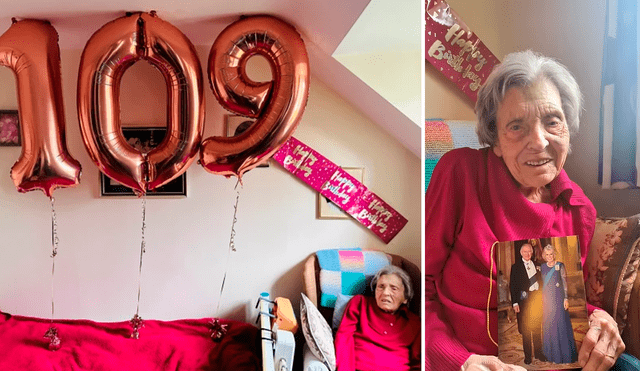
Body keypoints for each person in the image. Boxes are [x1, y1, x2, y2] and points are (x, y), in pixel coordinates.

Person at [424, 50, 625, 371]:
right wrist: (459, 361)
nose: (539, 141)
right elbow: (422, 284)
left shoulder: (578, 209)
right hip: (465, 357)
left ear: (568, 130)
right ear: (497, 141)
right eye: (517, 126)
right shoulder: (459, 174)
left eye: (552, 121)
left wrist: (598, 317)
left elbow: (559, 302)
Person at [334, 265, 420, 371]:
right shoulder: (360, 304)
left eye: (393, 288)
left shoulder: (415, 323)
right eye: (381, 287)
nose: (385, 293)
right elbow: (343, 339)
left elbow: (418, 363)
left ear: (405, 298)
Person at [541, 244, 578, 364]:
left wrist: (566, 298)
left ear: (554, 254)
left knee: (561, 323)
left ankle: (565, 356)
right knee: (550, 325)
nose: (549, 256)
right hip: (548, 300)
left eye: (551, 254)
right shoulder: (542, 267)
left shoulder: (560, 265)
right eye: (547, 255)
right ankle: (552, 355)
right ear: (544, 256)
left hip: (559, 298)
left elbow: (564, 282)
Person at [509, 243, 545, 365]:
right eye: (525, 252)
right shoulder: (516, 267)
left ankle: (539, 353)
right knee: (526, 330)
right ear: (521, 253)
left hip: (536, 300)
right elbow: (513, 286)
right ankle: (528, 356)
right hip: (524, 301)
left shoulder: (538, 265)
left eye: (530, 251)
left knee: (536, 328)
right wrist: (514, 303)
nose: (528, 254)